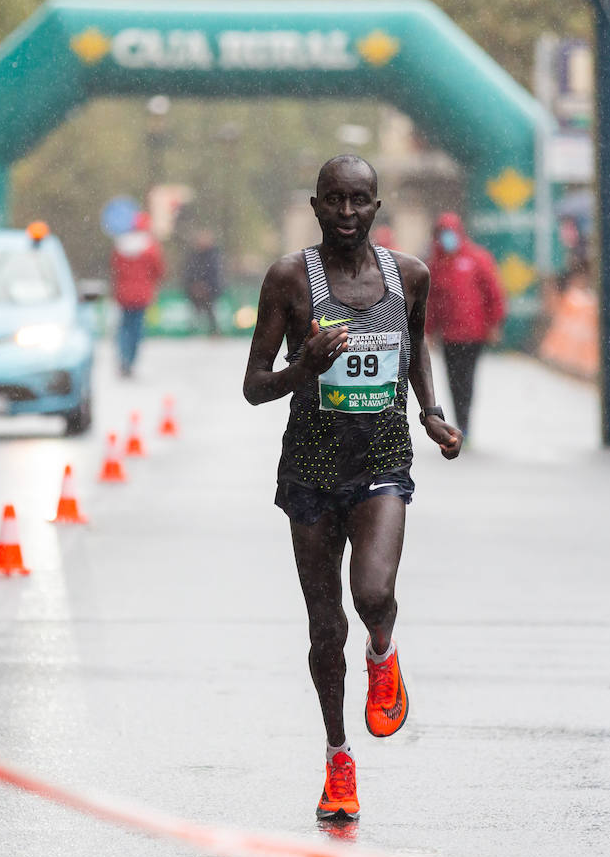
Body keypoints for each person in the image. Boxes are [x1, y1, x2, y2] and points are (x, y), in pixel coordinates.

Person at [242, 154, 462, 821]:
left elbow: (415, 343)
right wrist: (301, 367)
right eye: (332, 200)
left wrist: (430, 412)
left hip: (383, 458)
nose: (345, 213)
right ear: (315, 206)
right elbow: (253, 387)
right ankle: (339, 758)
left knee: (372, 594)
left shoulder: (410, 277)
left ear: (376, 206)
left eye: (358, 200)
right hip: (309, 463)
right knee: (322, 627)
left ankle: (383, 652)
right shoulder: (289, 280)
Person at [424, 212, 505, 436]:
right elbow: (431, 301)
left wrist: (494, 324)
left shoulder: (478, 258)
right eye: (443, 234)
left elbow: (494, 293)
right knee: (453, 379)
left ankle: (465, 423)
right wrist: (429, 331)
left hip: (474, 335)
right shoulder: (436, 265)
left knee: (466, 378)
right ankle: (459, 421)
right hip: (449, 337)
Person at [111, 211, 165, 376]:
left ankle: (123, 358)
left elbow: (115, 268)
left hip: (124, 294)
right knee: (136, 329)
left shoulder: (121, 246)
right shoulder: (151, 248)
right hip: (142, 294)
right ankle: (130, 361)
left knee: (124, 328)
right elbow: (158, 270)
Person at [181, 228, 223, 335]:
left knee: (210, 310)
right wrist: (194, 284)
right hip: (195, 289)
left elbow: (215, 273)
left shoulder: (213, 255)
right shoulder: (194, 255)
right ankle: (193, 330)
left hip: (210, 290)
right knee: (196, 310)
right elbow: (189, 271)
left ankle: (214, 331)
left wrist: (206, 285)